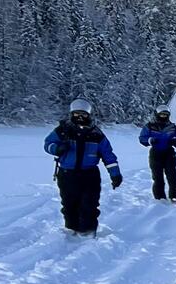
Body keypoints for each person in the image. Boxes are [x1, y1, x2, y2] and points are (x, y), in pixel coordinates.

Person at [44, 100, 122, 234]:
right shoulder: (62, 130)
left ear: (89, 115)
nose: (80, 117)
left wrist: (115, 174)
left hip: (89, 174)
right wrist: (57, 148)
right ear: (71, 114)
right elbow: (48, 144)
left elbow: (108, 155)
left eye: (83, 114)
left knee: (90, 204)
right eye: (77, 114)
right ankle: (71, 231)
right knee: (69, 204)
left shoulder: (96, 134)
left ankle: (89, 232)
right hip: (67, 173)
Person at [139, 107, 176, 200]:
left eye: (165, 115)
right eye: (161, 114)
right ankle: (159, 198)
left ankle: (174, 196)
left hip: (169, 153)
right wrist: (150, 140)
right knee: (157, 176)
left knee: (172, 175)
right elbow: (142, 138)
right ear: (157, 115)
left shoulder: (173, 127)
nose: (163, 116)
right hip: (155, 153)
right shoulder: (150, 126)